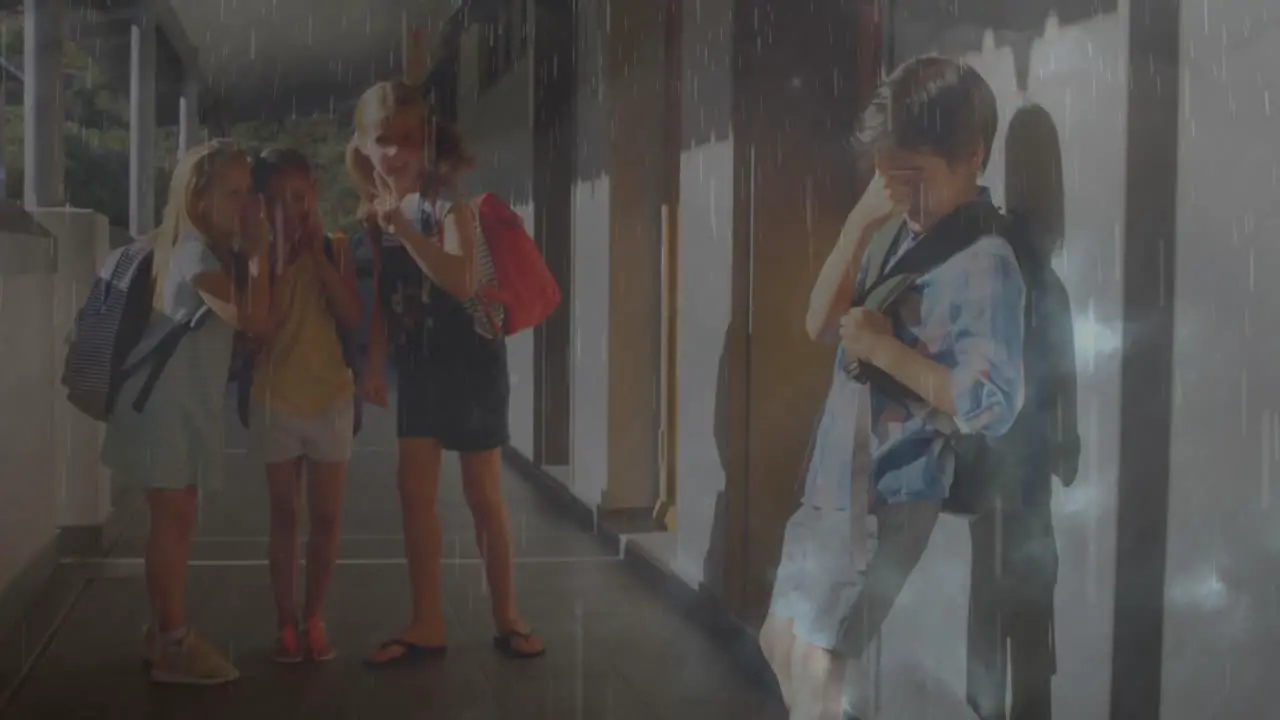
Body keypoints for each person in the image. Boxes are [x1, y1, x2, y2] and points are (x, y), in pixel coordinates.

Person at [758, 56, 1025, 719]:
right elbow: (820, 322)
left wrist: (882, 348)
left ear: (971, 157)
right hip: (832, 482)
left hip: (887, 493)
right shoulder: (894, 232)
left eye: (915, 180)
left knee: (820, 662)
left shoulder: (984, 263)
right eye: (887, 178)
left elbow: (990, 404)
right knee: (776, 638)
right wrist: (857, 226)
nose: (900, 196)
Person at [346, 80, 545, 664]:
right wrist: (376, 362)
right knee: (413, 494)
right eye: (384, 139)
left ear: (427, 143)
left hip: (472, 362)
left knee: (483, 494)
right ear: (362, 146)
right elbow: (386, 292)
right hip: (419, 366)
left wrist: (404, 229)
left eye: (409, 139)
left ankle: (507, 615)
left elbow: (459, 281)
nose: (397, 152)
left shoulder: (448, 207)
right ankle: (426, 620)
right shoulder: (375, 215)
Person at [102, 139, 270, 685]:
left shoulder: (192, 250)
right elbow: (254, 319)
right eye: (234, 193)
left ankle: (162, 632)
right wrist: (261, 247)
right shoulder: (196, 255)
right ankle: (174, 642)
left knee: (176, 519)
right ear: (199, 198)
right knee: (174, 524)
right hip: (164, 409)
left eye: (249, 193)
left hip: (172, 406)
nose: (245, 205)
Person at [245, 148, 364, 663]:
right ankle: (283, 621)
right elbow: (260, 331)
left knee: (328, 516)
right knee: (284, 515)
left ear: (313, 196)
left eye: (297, 198)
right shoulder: (254, 255)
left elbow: (353, 316)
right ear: (259, 206)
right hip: (276, 401)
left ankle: (314, 616)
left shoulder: (336, 247)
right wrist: (275, 261)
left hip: (331, 399)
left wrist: (314, 256)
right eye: (274, 202)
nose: (288, 210)